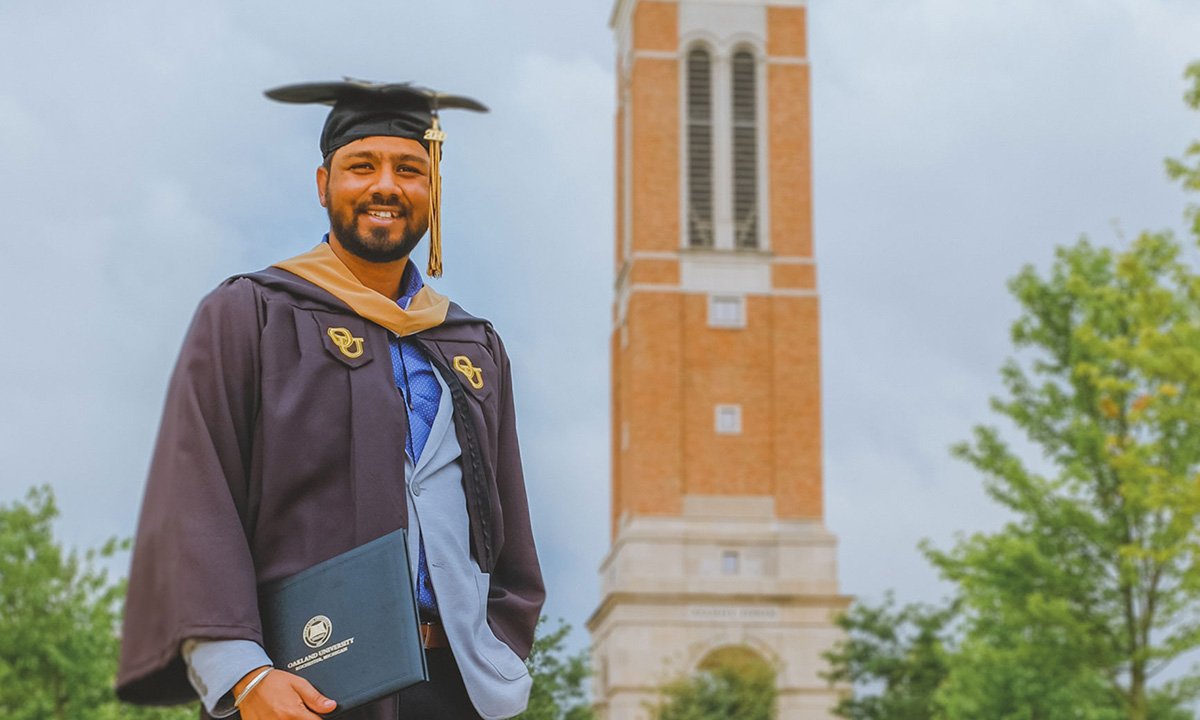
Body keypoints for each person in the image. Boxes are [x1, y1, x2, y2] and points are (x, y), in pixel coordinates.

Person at [115, 79, 545, 720]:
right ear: (324, 185)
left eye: (408, 169)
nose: (385, 187)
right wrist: (242, 674)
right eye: (361, 167)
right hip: (303, 684)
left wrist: (507, 652)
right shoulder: (250, 314)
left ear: (432, 188)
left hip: (459, 687)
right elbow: (194, 495)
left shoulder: (471, 343)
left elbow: (507, 515)